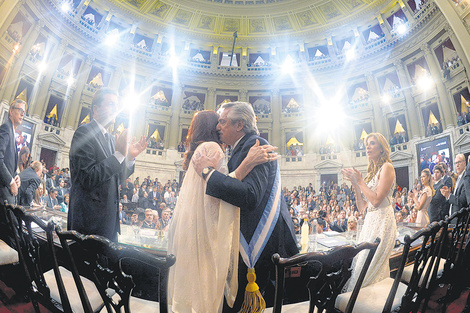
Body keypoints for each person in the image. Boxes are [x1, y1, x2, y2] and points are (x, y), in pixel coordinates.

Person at [168, 110, 278, 313]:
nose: (219, 126)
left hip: (195, 226)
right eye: (217, 123)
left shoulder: (202, 149)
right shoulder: (212, 148)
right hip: (210, 227)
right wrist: (246, 164)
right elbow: (222, 192)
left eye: (223, 122)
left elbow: (223, 186)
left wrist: (245, 163)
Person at [192, 102, 298, 312]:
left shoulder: (254, 144)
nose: (217, 127)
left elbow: (250, 196)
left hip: (259, 246)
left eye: (222, 121)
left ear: (239, 124)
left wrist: (208, 173)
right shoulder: (242, 147)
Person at [68, 88, 147, 241]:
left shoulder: (111, 139)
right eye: (111, 104)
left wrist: (129, 157)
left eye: (116, 106)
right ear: (95, 109)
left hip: (109, 223)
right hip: (89, 224)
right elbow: (87, 178)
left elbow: (116, 177)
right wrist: (119, 155)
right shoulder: (84, 133)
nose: (116, 109)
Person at [341, 132, 397, 291]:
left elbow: (377, 200)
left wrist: (360, 182)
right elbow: (362, 208)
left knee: (370, 269)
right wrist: (356, 186)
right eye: (367, 143)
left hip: (383, 223)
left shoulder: (387, 167)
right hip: (370, 223)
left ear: (381, 148)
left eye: (372, 143)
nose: (368, 146)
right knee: (362, 267)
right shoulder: (373, 173)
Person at [0, 99, 25, 206]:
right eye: (20, 110)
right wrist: (10, 181)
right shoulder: (6, 128)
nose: (22, 114)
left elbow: (8, 162)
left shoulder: (12, 130)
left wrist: (15, 176)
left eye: (24, 112)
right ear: (11, 111)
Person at [440, 154, 469, 220]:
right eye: (456, 163)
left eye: (459, 162)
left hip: (461, 220)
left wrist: (449, 195)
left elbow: (462, 201)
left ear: (465, 163)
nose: (457, 165)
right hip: (454, 219)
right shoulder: (459, 178)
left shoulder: (466, 178)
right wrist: (449, 193)